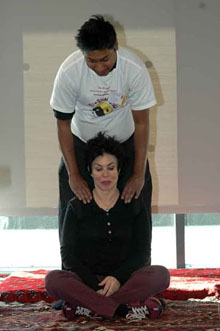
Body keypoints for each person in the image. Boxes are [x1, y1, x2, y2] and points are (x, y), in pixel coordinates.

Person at [50, 14, 157, 244]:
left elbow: (141, 123)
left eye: (105, 59)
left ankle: (135, 274)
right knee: (74, 205)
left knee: (136, 200)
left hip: (124, 143)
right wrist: (74, 174)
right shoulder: (69, 72)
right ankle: (74, 275)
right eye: (91, 61)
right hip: (82, 144)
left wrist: (138, 173)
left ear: (115, 47)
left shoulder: (134, 69)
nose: (99, 67)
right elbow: (63, 124)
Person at [45, 133, 170, 321]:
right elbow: (68, 255)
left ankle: (86, 306)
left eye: (111, 168)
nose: (105, 174)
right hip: (86, 281)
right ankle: (122, 309)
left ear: (119, 170)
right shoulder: (76, 206)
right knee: (53, 280)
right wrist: (94, 286)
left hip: (125, 279)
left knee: (161, 275)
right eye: (99, 168)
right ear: (90, 171)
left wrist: (117, 278)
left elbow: (142, 252)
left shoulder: (134, 204)